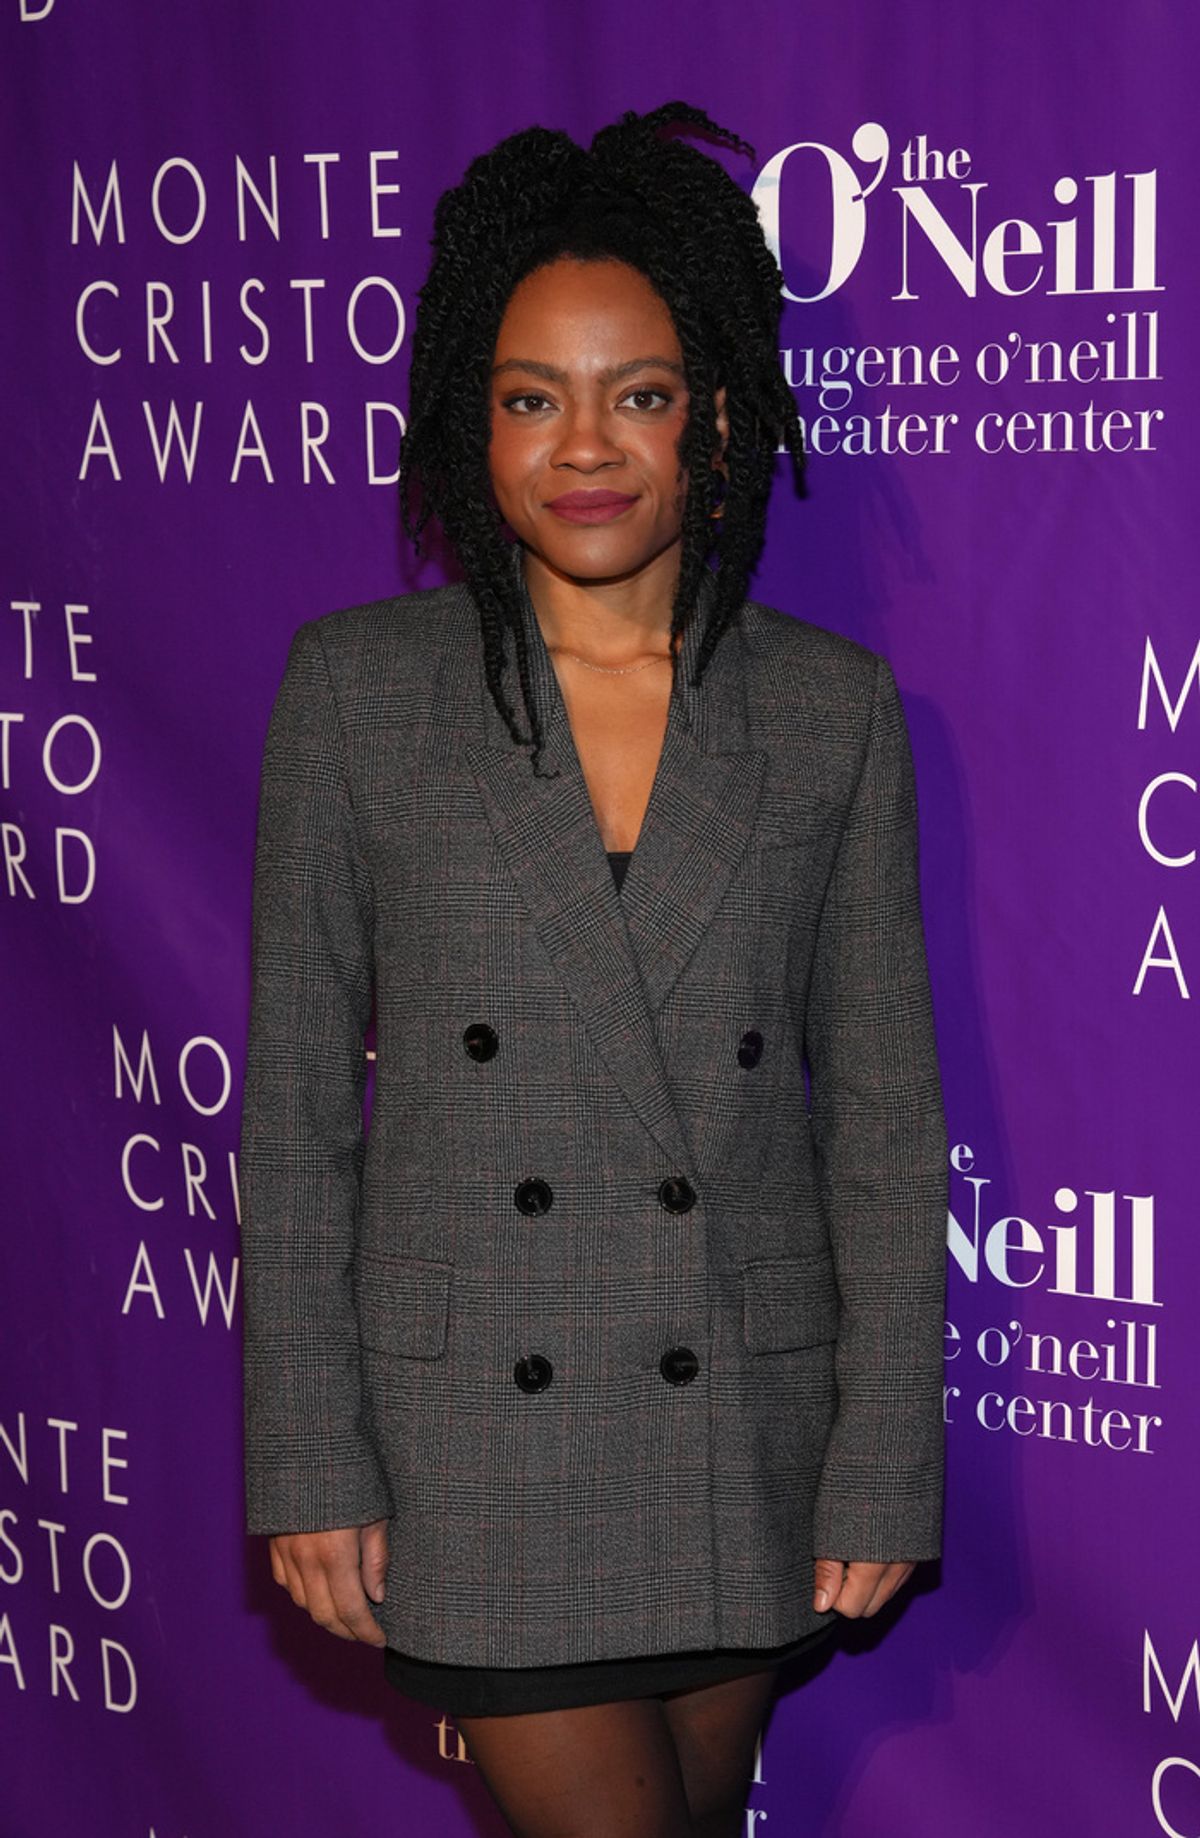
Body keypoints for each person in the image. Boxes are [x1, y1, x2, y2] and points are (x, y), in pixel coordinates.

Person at [239, 102, 948, 1838]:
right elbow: (294, 1110)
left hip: (740, 1423)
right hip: (477, 1435)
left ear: (712, 410)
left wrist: (883, 1454)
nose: (584, 446)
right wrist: (310, 1456)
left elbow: (878, 1115)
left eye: (637, 391)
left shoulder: (826, 707)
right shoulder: (358, 692)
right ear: (468, 424)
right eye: (530, 396)